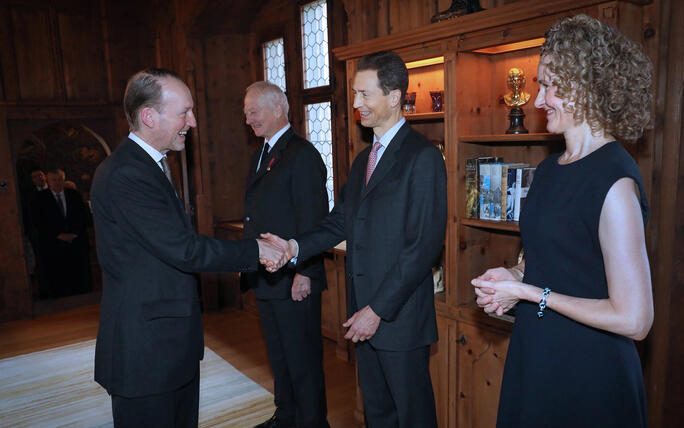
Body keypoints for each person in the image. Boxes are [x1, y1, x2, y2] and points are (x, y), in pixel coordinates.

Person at [471, 14, 654, 428]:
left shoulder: (615, 182)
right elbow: (545, 257)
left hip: (589, 374)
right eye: (541, 85)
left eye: (550, 86)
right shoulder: (552, 168)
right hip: (537, 356)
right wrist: (512, 276)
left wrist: (530, 292)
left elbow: (636, 320)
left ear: (586, 87)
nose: (538, 100)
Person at [90, 68, 287, 428]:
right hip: (146, 352)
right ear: (149, 116)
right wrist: (256, 250)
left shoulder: (150, 166)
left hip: (168, 345)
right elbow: (184, 250)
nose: (192, 122)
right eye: (184, 112)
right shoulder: (126, 174)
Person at [263, 51, 447, 427]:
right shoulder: (365, 160)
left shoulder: (422, 158)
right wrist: (295, 247)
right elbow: (338, 223)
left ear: (394, 97)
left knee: (413, 417)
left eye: (365, 94)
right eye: (354, 93)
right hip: (361, 313)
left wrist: (376, 310)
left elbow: (422, 248)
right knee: (378, 415)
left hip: (397, 318)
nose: (356, 103)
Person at [241, 81, 330, 428]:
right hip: (266, 276)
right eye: (246, 113)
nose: (249, 119)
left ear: (278, 108)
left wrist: (305, 272)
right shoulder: (260, 155)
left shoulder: (302, 154)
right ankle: (286, 416)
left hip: (294, 277)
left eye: (254, 111)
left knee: (303, 359)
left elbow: (314, 220)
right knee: (279, 356)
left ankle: (312, 423)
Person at [32, 168, 92, 297]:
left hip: (75, 243)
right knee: (58, 280)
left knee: (78, 278)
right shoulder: (40, 198)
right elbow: (39, 222)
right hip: (54, 245)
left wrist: (75, 233)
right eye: (54, 180)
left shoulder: (74, 195)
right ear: (48, 181)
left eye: (60, 179)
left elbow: (83, 217)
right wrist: (57, 235)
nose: (57, 183)